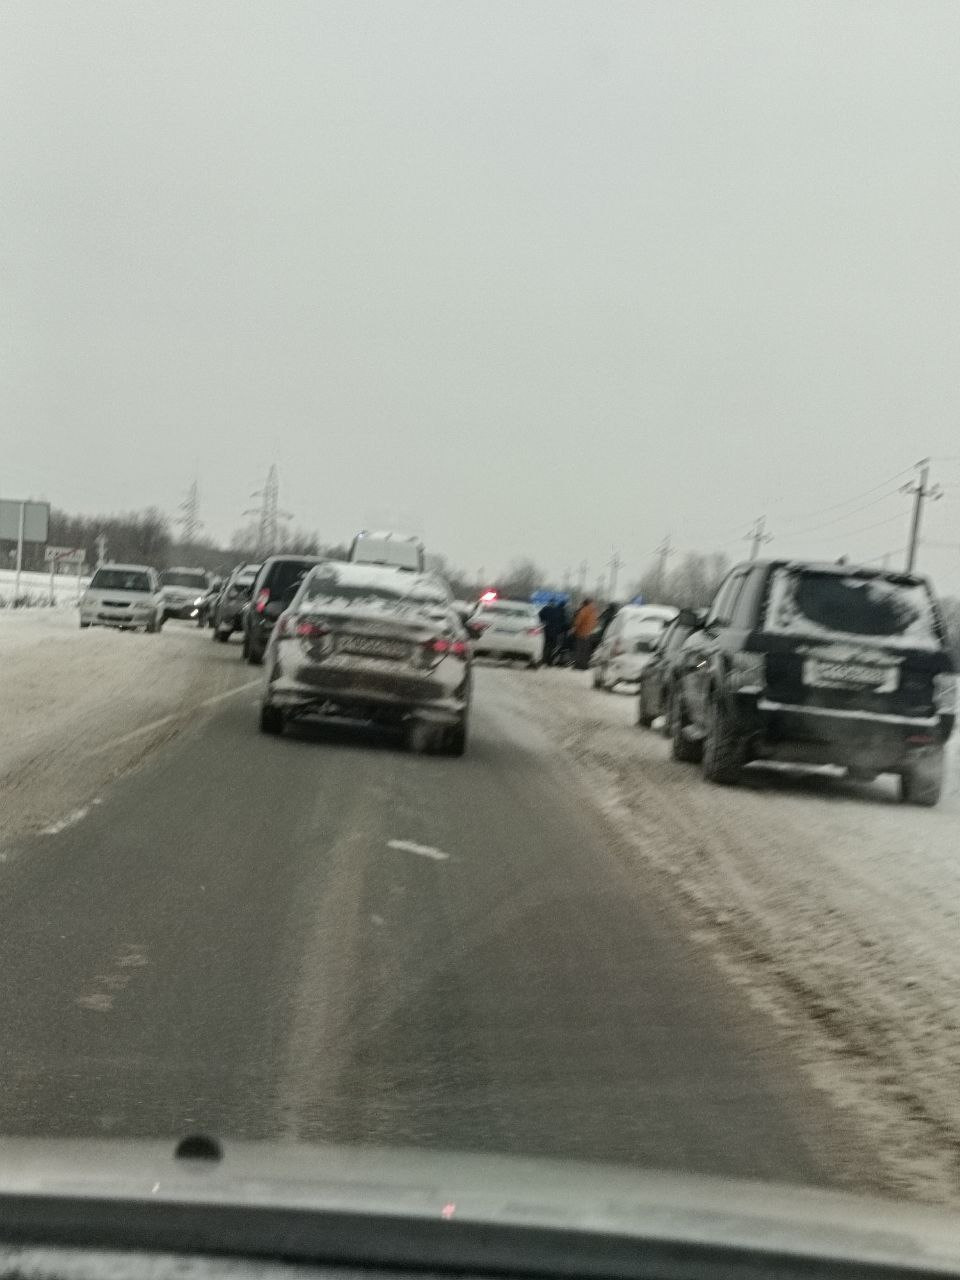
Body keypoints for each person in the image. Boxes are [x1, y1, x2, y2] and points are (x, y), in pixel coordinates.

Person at [570, 597, 598, 670]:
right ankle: (585, 666)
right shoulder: (594, 611)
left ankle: (578, 665)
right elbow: (595, 623)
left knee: (579, 649)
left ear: (584, 603)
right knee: (586, 650)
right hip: (590, 634)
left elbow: (578, 621)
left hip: (582, 633)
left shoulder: (584, 610)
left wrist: (574, 628)